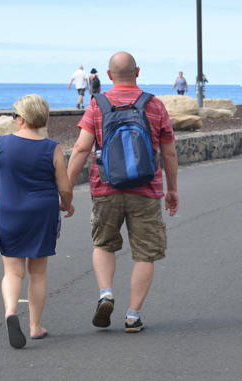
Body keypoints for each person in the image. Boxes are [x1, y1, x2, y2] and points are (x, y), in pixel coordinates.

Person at [67, 51, 179, 334]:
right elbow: (169, 152)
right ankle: (133, 315)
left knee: (104, 244)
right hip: (146, 189)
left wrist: (65, 188)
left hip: (106, 187)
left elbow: (81, 148)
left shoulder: (97, 105)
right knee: (145, 253)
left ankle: (106, 293)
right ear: (138, 72)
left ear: (108, 75)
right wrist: (172, 189)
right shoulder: (154, 105)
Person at [0, 94, 75, 349]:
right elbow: (65, 187)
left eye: (15, 115)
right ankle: (35, 327)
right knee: (38, 271)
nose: (14, 119)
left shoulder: (1, 144)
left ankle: (10, 312)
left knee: (12, 271)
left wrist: (0, 205)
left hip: (9, 210)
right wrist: (67, 205)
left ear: (22, 119)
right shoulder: (52, 148)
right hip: (41, 212)